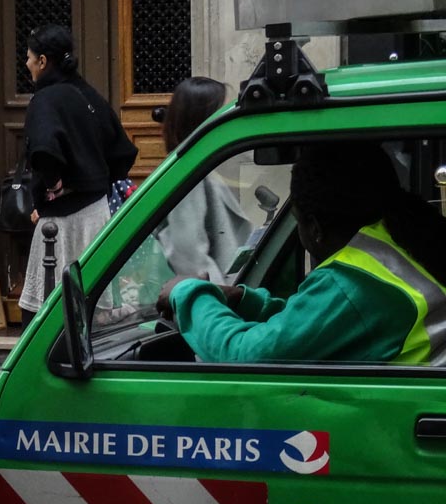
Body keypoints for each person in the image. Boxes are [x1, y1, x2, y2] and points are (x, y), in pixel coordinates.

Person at [157, 141, 446, 364]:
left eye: (297, 221)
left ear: (315, 228)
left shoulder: (353, 281)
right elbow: (319, 326)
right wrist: (245, 300)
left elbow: (245, 357)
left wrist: (188, 293)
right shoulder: (405, 241)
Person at [18, 24, 137, 320]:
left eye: (29, 57)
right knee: (93, 308)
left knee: (48, 314)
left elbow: (44, 149)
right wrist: (97, 181)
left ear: (43, 61)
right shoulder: (88, 94)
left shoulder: (45, 100)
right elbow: (122, 151)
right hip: (97, 214)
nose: (27, 63)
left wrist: (53, 187)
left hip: (61, 223)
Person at [156, 77, 254, 282]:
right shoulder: (186, 175)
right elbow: (190, 259)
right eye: (223, 113)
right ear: (202, 121)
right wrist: (223, 295)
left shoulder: (200, 165)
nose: (231, 119)